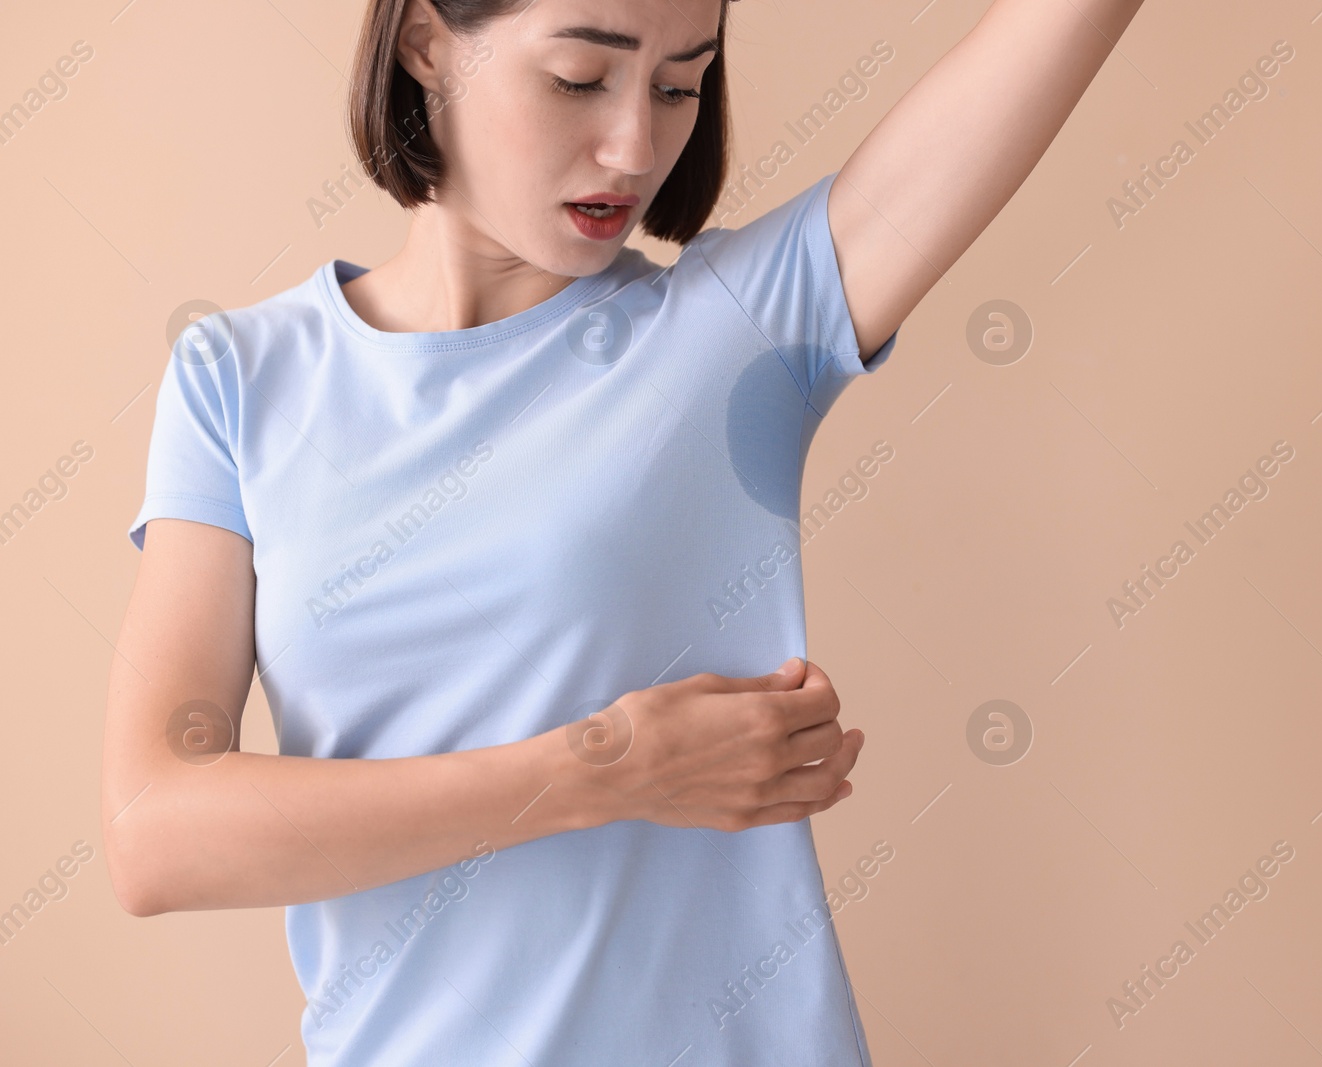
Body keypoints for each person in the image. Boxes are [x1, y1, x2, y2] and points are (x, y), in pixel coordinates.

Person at [101, 0, 1144, 1063]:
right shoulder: (237, 379)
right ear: (424, 41)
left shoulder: (739, 327)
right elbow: (155, 830)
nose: (635, 146)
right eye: (578, 79)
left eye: (680, 84)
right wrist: (605, 766)